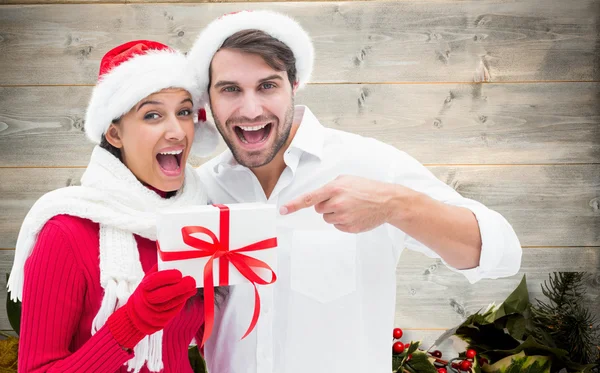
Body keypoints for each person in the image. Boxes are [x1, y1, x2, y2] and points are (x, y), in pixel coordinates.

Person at [188, 10, 522, 373]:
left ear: (294, 85)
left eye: (268, 86)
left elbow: (501, 253)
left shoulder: (369, 163)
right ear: (209, 99)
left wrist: (395, 205)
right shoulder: (198, 191)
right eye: (230, 89)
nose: (251, 109)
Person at [7, 40, 220, 373]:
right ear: (115, 134)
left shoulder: (196, 220)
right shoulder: (65, 234)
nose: (178, 131)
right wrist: (130, 325)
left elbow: (194, 345)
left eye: (184, 112)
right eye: (152, 115)